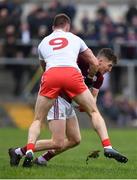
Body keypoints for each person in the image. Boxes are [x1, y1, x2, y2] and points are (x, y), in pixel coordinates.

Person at [9, 14, 127, 167]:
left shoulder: (44, 42)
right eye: (109, 66)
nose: (109, 70)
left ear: (53, 27)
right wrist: (88, 79)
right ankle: (107, 145)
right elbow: (87, 62)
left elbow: (92, 99)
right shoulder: (77, 49)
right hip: (59, 95)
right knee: (57, 141)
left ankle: (34, 156)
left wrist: (84, 102)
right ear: (101, 61)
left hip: (60, 89)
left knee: (75, 139)